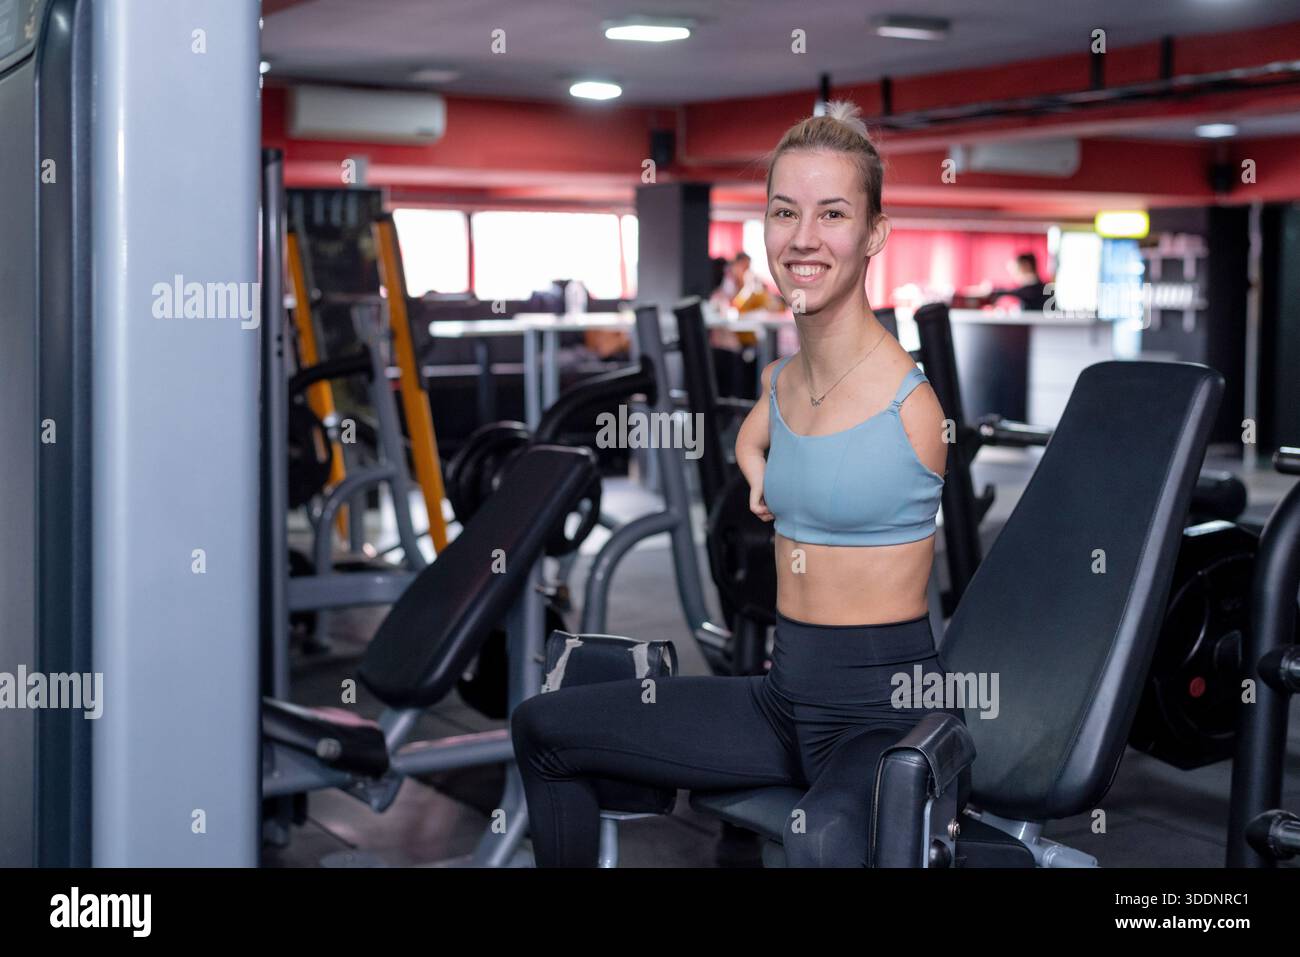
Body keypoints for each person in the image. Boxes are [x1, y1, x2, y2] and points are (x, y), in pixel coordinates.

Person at [510, 100, 965, 868]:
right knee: (545, 727)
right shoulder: (783, 379)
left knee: (818, 837)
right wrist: (756, 467)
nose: (804, 237)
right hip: (780, 697)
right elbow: (757, 434)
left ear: (875, 234)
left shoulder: (911, 407)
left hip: (884, 714)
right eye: (785, 212)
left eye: (832, 213)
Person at [980, 252, 1049, 310]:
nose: (1013, 274)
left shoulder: (1036, 289)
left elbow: (1020, 292)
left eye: (1016, 269)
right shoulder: (1030, 289)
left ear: (1026, 265)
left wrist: (993, 290)